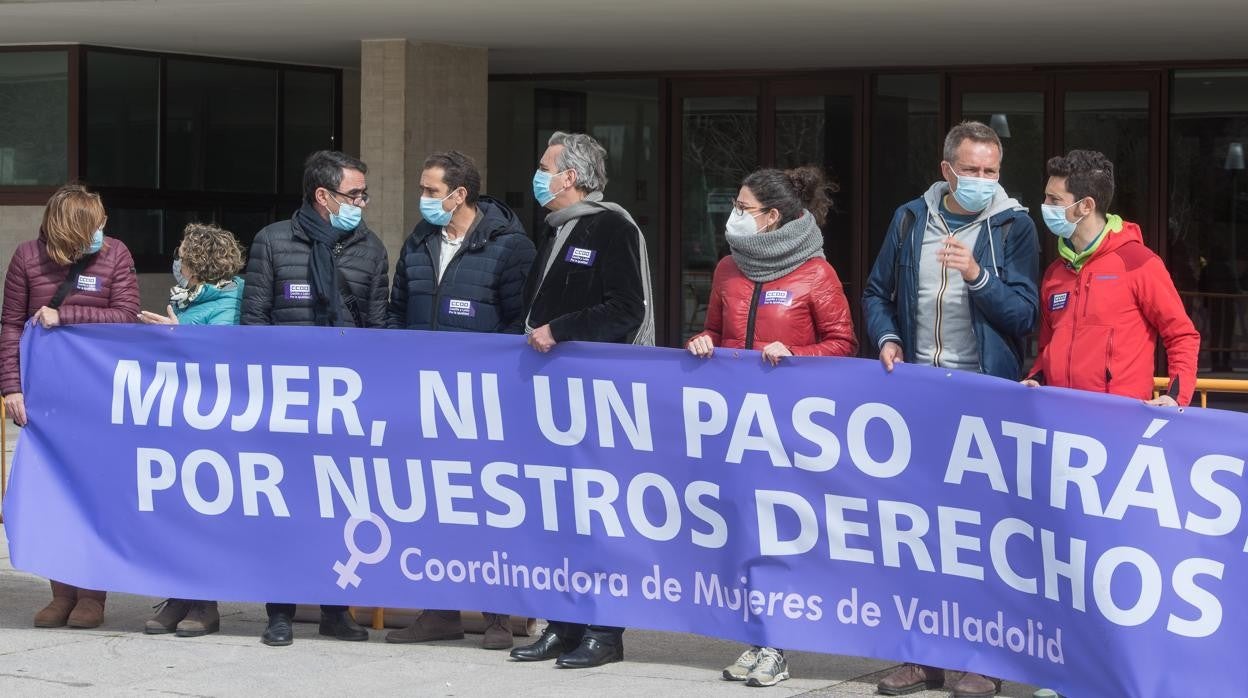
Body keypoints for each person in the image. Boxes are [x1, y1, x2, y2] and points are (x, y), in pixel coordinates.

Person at [863, 121, 1040, 698]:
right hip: (918, 397)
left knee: (982, 539)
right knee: (918, 534)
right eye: (973, 170)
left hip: (984, 397)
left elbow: (1023, 317)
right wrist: (887, 339)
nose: (984, 181)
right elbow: (875, 292)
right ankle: (922, 657)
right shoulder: (910, 218)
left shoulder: (1015, 225)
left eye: (992, 171)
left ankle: (982, 662)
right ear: (947, 170)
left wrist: (976, 275)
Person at [687, 166, 857, 687]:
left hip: (790, 428)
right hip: (736, 425)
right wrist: (704, 341)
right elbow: (717, 329)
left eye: (743, 208)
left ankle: (778, 644)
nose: (733, 215)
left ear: (773, 217)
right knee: (742, 533)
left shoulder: (815, 274)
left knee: (779, 536)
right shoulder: (727, 270)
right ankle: (757, 638)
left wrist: (796, 353)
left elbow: (843, 344)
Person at [509, 131, 653, 669]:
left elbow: (625, 310)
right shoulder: (557, 230)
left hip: (599, 397)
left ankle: (604, 629)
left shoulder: (612, 226)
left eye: (545, 166)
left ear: (570, 176)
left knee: (599, 516)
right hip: (552, 399)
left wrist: (561, 329)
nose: (539, 174)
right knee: (558, 514)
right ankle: (563, 624)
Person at [384, 150, 535, 650]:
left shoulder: (510, 247)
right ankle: (440, 612)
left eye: (430, 191)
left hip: (481, 402)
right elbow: (396, 309)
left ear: (459, 194)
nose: (422, 199)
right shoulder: (420, 240)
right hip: (423, 398)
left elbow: (520, 323)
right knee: (432, 505)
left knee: (486, 507)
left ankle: (496, 617)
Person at [242, 150, 389, 646]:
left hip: (347, 403)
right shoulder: (273, 241)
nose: (362, 204)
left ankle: (334, 609)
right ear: (323, 196)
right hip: (287, 398)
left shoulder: (370, 248)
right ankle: (280, 609)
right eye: (354, 195)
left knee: (339, 507)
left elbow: (380, 326)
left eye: (364, 195)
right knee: (284, 507)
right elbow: (255, 318)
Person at [1, 184, 140, 630]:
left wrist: (68, 315)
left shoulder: (115, 254)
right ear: (74, 226)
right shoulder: (26, 257)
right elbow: (8, 326)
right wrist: (11, 388)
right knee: (52, 495)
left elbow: (127, 315)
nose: (104, 228)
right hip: (46, 397)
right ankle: (60, 593)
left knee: (93, 493)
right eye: (96, 221)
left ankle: (92, 595)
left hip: (98, 396)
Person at [1024, 149, 1200, 405]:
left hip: (1119, 422)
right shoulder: (1055, 273)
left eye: (1054, 199)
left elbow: (1182, 335)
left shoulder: (1139, 263)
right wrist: (1036, 378)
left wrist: (1176, 397)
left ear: (1085, 205)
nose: (1045, 206)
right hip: (1060, 418)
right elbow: (1048, 348)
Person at [138, 222, 246, 637]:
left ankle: (205, 602)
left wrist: (178, 335)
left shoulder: (231, 300)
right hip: (179, 417)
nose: (177, 261)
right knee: (176, 509)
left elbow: (222, 354)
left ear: (198, 261)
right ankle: (179, 595)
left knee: (205, 510)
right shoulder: (185, 299)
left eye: (182, 253)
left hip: (212, 421)